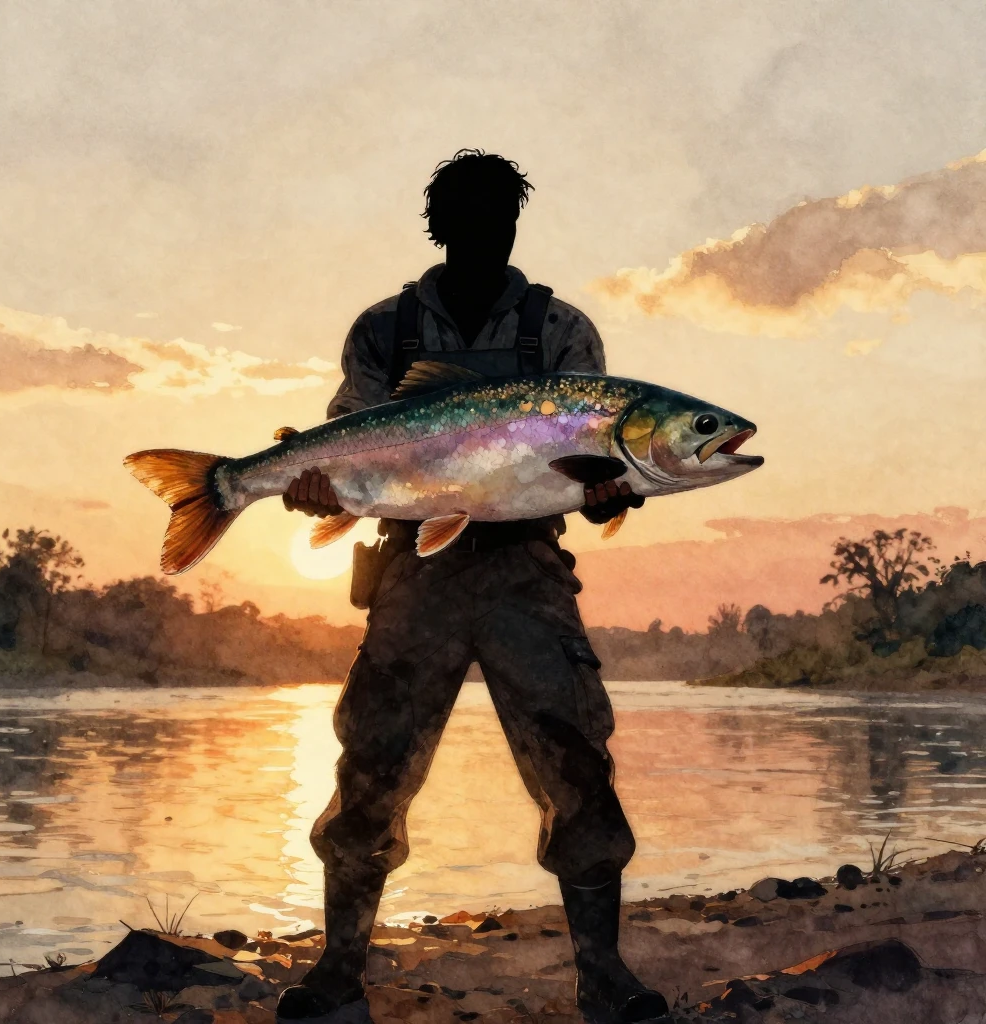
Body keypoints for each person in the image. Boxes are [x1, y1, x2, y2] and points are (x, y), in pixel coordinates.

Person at [275, 150, 668, 1024]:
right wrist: (312, 486)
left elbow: (600, 476)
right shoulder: (382, 330)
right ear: (440, 224)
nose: (490, 227)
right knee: (372, 764)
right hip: (414, 571)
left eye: (503, 212)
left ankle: (604, 977)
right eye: (472, 211)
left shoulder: (562, 330)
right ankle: (339, 976)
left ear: (516, 223)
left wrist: (612, 491)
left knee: (576, 766)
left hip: (528, 571)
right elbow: (349, 444)